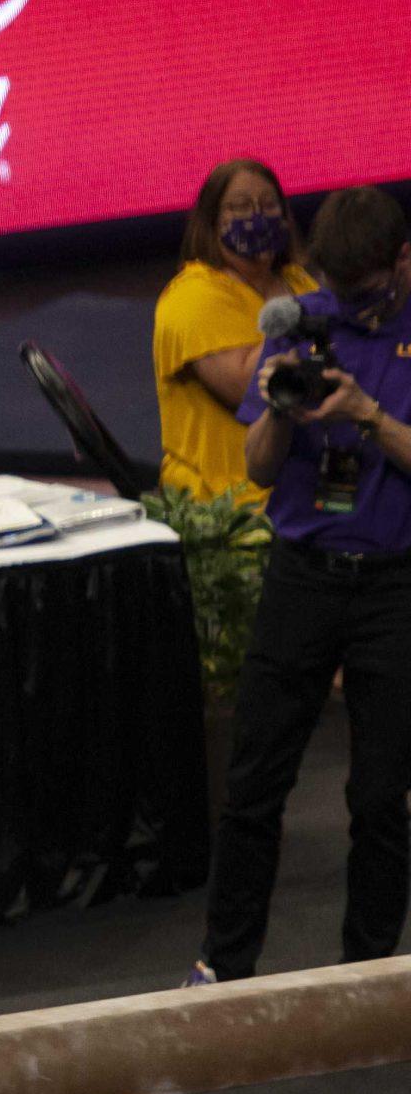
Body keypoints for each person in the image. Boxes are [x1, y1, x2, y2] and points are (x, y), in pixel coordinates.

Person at [189, 186, 411, 987]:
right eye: (337, 291)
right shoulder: (299, 324)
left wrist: (368, 418)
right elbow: (256, 466)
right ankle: (223, 964)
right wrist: (280, 409)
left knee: (382, 800)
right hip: (302, 579)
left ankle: (367, 975)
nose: (347, 306)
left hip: (395, 587)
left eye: (363, 292)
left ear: (403, 262)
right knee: (253, 786)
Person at [154, 159, 316, 504]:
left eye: (269, 204)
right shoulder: (193, 296)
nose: (257, 216)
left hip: (306, 490)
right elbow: (255, 389)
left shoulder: (298, 281)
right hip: (231, 506)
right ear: (212, 220)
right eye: (240, 207)